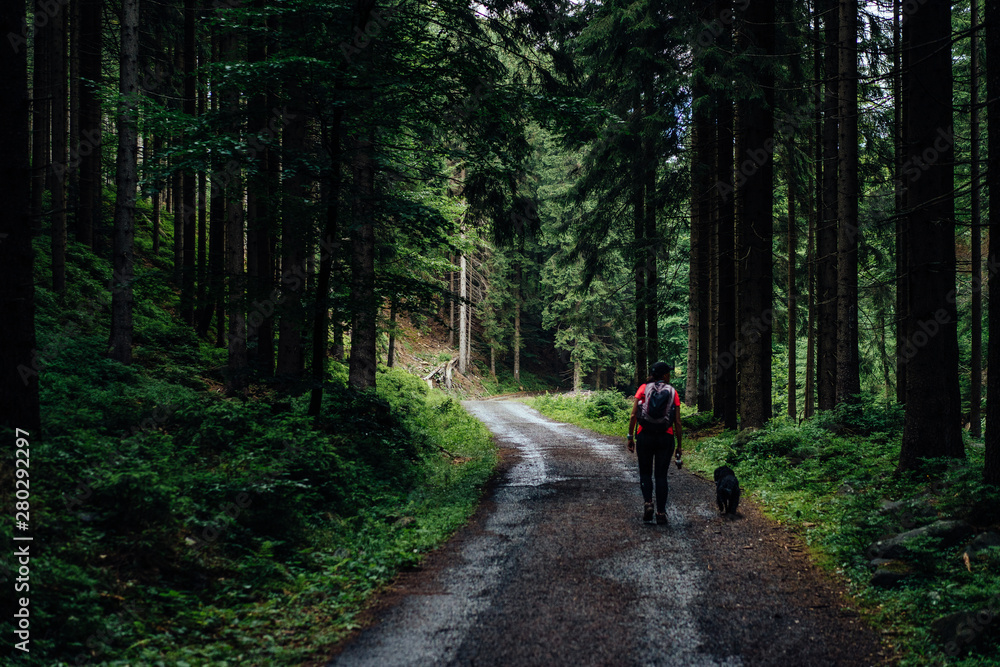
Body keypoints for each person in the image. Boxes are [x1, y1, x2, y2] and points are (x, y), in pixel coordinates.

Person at [626, 361, 682, 524]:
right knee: (661, 476)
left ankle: (648, 503)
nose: (670, 375)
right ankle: (661, 513)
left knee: (645, 472)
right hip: (666, 437)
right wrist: (679, 446)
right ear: (664, 375)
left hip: (645, 435)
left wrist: (630, 436)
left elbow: (633, 415)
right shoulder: (673, 391)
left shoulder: (643, 388)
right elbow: (677, 422)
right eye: (668, 373)